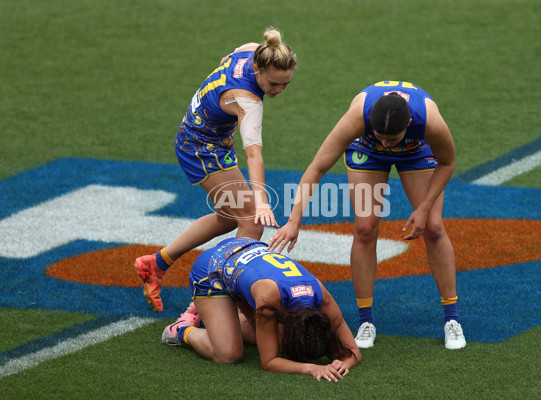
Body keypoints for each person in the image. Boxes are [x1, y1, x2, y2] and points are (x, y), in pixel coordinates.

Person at [269, 80, 467, 350]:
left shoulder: (429, 121)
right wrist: (294, 221)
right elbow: (316, 168)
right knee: (364, 229)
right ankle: (366, 320)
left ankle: (452, 319)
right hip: (366, 151)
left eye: (391, 138)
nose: (386, 144)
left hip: (415, 152)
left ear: (408, 122)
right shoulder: (357, 118)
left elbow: (448, 162)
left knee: (432, 226)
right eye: (380, 136)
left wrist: (423, 208)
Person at [135, 28, 297, 312]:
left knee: (228, 216)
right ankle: (205, 303)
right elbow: (253, 154)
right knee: (251, 221)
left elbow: (229, 57)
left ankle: (155, 264)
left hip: (210, 141)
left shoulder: (250, 50)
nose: (278, 91)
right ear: (258, 69)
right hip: (200, 149)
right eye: (273, 83)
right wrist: (261, 201)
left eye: (285, 84)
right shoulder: (249, 101)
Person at [161, 237, 361, 381]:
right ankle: (182, 329)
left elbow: (353, 351)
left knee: (267, 335)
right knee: (229, 354)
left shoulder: (321, 295)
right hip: (211, 270)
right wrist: (311, 368)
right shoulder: (269, 301)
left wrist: (345, 362)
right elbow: (270, 361)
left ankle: (212, 316)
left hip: (245, 254)